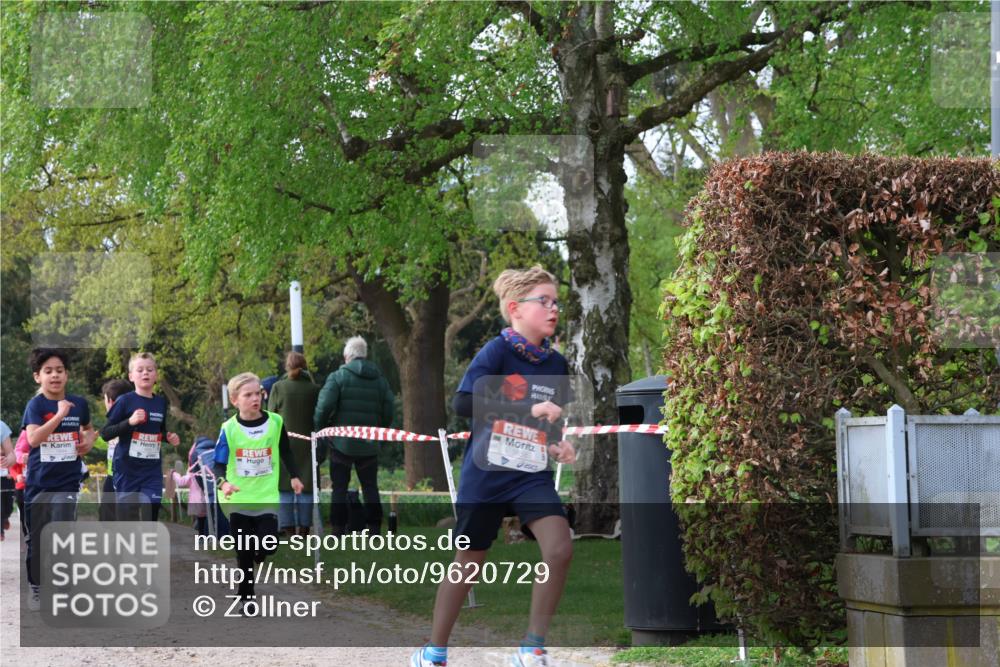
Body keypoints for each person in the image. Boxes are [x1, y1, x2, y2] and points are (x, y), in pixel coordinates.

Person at [411, 266, 577, 667]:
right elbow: (463, 404)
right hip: (486, 474)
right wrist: (526, 406)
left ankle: (532, 647)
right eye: (545, 301)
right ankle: (434, 651)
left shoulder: (557, 366)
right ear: (516, 309)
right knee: (470, 562)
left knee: (560, 548)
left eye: (557, 301)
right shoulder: (496, 351)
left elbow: (548, 420)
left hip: (530, 475)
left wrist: (558, 444)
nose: (554, 309)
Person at [213, 372, 303, 613]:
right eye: (248, 395)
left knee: (269, 544)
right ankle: (246, 598)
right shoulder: (229, 428)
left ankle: (259, 554)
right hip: (238, 498)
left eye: (258, 393)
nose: (255, 398)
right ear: (235, 400)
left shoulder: (275, 422)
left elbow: (286, 451)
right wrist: (223, 483)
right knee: (243, 551)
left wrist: (294, 476)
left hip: (265, 497)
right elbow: (218, 463)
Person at [22, 348, 97, 610]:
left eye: (59, 370)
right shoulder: (36, 405)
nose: (55, 375)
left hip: (67, 482)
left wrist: (88, 441)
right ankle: (38, 588)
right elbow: (33, 439)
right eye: (48, 371)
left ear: (66, 375)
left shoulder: (80, 404)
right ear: (37, 377)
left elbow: (90, 430)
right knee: (38, 539)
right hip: (39, 483)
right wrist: (59, 415)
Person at [314, 336, 394, 537]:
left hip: (342, 442)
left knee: (339, 487)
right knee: (370, 486)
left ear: (346, 356)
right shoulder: (380, 379)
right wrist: (378, 431)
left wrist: (321, 429)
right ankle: (374, 528)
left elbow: (324, 407)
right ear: (365, 355)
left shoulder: (337, 377)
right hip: (369, 441)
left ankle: (338, 529)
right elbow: (389, 409)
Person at [100, 352, 180, 521]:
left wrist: (168, 437)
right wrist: (129, 422)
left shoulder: (160, 403)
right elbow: (105, 433)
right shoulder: (124, 401)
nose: (145, 373)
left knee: (151, 512)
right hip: (127, 471)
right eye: (140, 370)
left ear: (156, 375)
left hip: (151, 471)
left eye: (150, 369)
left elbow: (160, 431)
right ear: (131, 376)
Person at [267, 351, 320, 536]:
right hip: (308, 446)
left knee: (284, 486)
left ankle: (287, 527)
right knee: (305, 485)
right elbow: (318, 417)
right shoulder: (314, 389)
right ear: (305, 366)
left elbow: (271, 417)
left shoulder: (278, 387)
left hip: (284, 445)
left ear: (287, 366)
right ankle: (305, 528)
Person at [96, 378, 133, 521]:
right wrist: (93, 440)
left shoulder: (123, 424)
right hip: (114, 476)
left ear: (110, 401)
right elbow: (106, 443)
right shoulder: (121, 423)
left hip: (120, 477)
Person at [171, 445, 208, 535]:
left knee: (201, 520)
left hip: (198, 501)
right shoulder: (210, 468)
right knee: (208, 520)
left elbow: (181, 481)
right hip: (210, 499)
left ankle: (202, 537)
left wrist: (174, 473)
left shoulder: (193, 471)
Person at [0, 420, 14, 540]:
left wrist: (8, 460)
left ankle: (5, 517)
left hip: (4, 476)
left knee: (7, 507)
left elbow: (11, 455)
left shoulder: (1, 426)